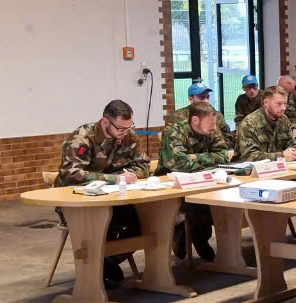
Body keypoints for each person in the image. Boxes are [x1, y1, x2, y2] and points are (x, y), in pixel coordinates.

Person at [56, 99, 149, 286]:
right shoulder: (83, 138)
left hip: (116, 199)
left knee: (147, 220)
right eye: (120, 128)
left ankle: (108, 261)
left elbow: (142, 165)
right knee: (103, 223)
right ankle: (94, 274)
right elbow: (71, 174)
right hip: (78, 204)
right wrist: (116, 179)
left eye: (128, 127)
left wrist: (130, 175)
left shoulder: (129, 136)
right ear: (105, 122)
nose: (124, 133)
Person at [156, 100, 228, 261]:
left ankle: (191, 235)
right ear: (195, 120)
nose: (214, 127)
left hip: (202, 182)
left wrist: (196, 157)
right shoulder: (175, 130)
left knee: (218, 204)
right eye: (210, 123)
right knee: (200, 205)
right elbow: (178, 162)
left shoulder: (212, 130)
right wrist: (207, 163)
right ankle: (195, 238)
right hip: (171, 187)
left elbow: (223, 156)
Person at [236, 86, 296, 162]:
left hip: (276, 168)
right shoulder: (249, 123)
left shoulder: (284, 119)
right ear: (266, 102)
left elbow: (293, 144)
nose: (283, 108)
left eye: (285, 104)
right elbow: (249, 156)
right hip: (247, 170)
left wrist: (291, 152)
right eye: (279, 104)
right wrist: (281, 156)